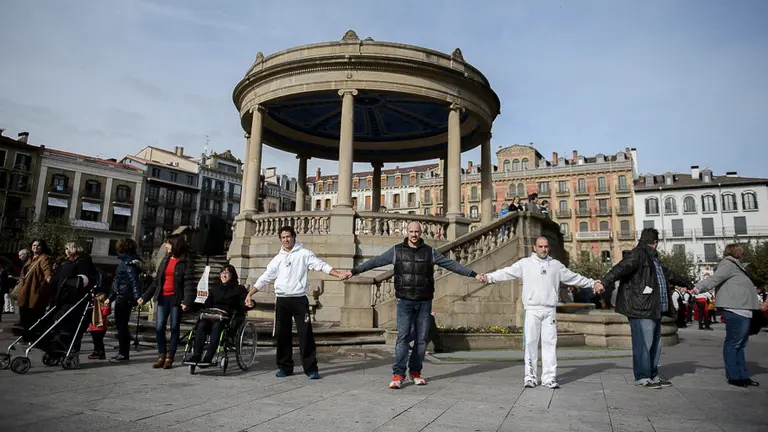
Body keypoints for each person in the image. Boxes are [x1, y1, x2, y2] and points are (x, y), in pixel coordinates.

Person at [340, 221, 479, 389]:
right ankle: (398, 374)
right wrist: (353, 271)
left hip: (424, 301)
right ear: (407, 232)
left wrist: (474, 274)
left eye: (417, 231)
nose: (414, 234)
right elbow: (375, 262)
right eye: (411, 231)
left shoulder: (430, 252)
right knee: (403, 338)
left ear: (421, 233)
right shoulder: (396, 251)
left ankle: (415, 372)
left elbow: (451, 264)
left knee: (421, 340)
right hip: (404, 301)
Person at [477, 236, 601, 389]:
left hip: (549, 310)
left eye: (546, 246)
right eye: (540, 246)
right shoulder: (525, 264)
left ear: (549, 248)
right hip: (532, 310)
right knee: (530, 343)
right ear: (534, 248)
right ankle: (530, 377)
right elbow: (506, 272)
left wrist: (592, 283)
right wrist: (489, 277)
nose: (543, 249)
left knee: (550, 344)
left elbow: (574, 278)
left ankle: (549, 378)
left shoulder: (556, 265)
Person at [596, 228, 693, 389]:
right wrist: (604, 282)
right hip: (640, 307)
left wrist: (688, 284)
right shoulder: (638, 254)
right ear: (655, 243)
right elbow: (621, 268)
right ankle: (642, 376)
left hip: (653, 307)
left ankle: (653, 375)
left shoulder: (654, 259)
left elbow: (669, 274)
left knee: (655, 344)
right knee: (643, 344)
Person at [248, 225, 346, 379]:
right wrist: (250, 293)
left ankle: (311, 369)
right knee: (282, 335)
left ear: (294, 237)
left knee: (305, 334)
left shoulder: (304, 254)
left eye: (288, 236)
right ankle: (285, 367)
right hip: (282, 301)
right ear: (280, 240)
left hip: (299, 300)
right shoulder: (277, 259)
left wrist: (338, 274)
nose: (286, 240)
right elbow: (265, 277)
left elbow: (321, 265)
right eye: (283, 237)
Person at [695, 244, 767, 387]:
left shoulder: (736, 266)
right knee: (734, 343)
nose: (744, 254)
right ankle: (735, 376)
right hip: (735, 309)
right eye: (742, 252)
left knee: (740, 344)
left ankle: (742, 375)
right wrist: (698, 287)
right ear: (737, 252)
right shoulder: (728, 264)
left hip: (742, 308)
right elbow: (716, 278)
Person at [138, 235, 196, 369]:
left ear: (174, 244)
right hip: (163, 297)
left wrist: (187, 301)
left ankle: (170, 356)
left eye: (168, 243)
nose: (165, 246)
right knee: (159, 327)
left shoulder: (185, 261)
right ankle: (161, 355)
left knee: (174, 327)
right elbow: (156, 281)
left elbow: (189, 283)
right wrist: (145, 297)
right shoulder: (166, 260)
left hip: (176, 298)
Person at [190, 265, 247, 365]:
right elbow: (207, 304)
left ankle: (208, 357)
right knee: (202, 325)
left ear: (232, 275)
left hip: (227, 318)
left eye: (227, 273)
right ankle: (196, 355)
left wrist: (250, 304)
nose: (224, 275)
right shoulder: (215, 288)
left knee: (217, 326)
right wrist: (192, 305)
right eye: (222, 273)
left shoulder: (239, 289)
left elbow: (244, 304)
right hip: (212, 315)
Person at [108, 238, 143, 362]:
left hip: (124, 297)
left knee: (121, 325)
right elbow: (118, 282)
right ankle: (123, 351)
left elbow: (134, 281)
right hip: (123, 296)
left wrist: (138, 296)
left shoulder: (127, 263)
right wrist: (111, 297)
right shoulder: (127, 262)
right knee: (122, 325)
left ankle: (123, 352)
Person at [14, 240, 53, 335]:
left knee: (33, 316)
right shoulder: (30, 258)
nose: (36, 247)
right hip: (25, 290)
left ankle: (32, 336)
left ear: (42, 247)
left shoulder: (44, 258)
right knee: (24, 315)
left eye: (39, 245)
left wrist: (49, 278)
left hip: (34, 291)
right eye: (34, 245)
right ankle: (26, 334)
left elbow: (47, 270)